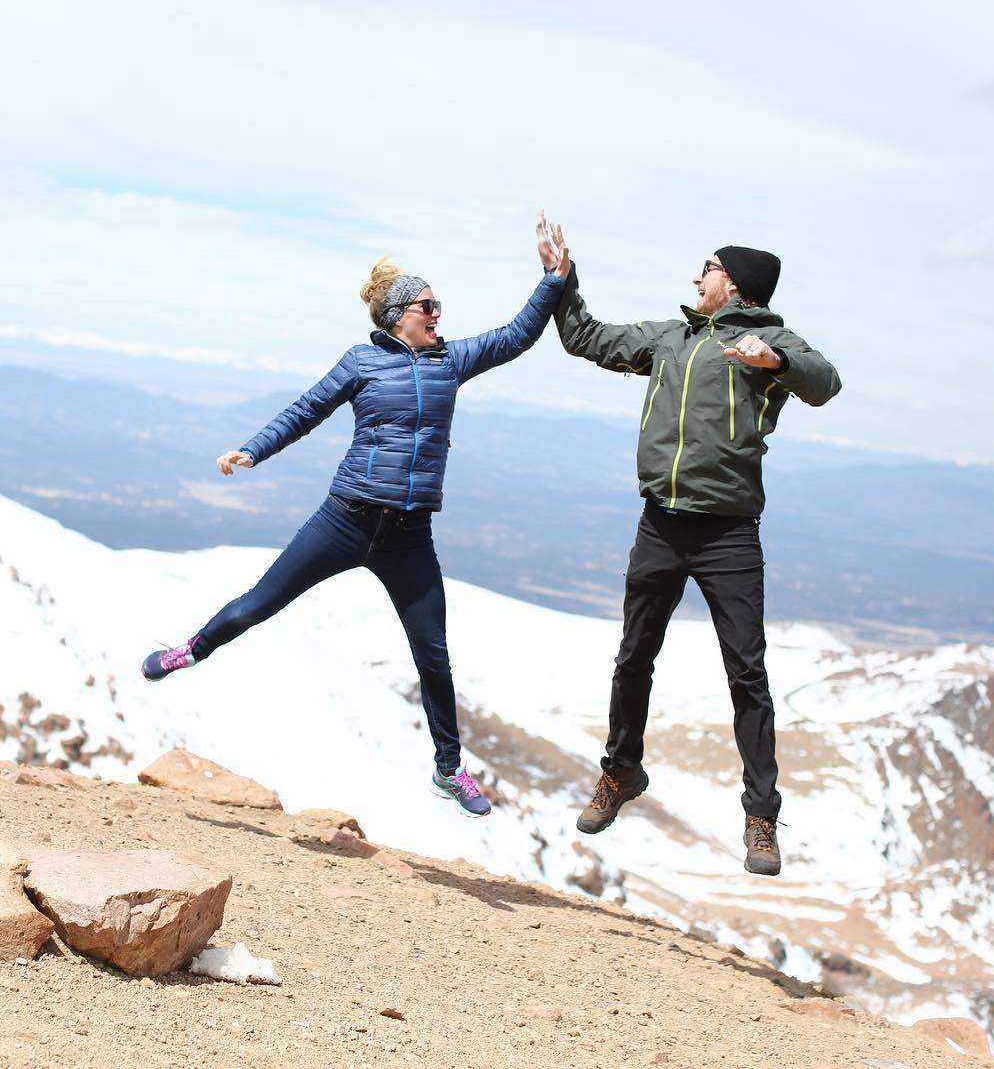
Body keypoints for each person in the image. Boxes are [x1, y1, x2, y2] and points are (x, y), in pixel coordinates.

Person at [142, 213, 571, 817]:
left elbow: (518, 334)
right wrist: (254, 449)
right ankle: (191, 648)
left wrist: (552, 279)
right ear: (399, 315)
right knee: (259, 603)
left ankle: (449, 770)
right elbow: (305, 410)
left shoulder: (452, 359)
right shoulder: (361, 362)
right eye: (429, 305)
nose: (438, 313)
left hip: (408, 534)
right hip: (345, 518)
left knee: (434, 653)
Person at [542, 221, 840, 873]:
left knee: (747, 675)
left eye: (704, 268)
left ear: (731, 282)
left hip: (728, 533)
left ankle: (761, 816)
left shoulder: (768, 340)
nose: (694, 278)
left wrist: (777, 363)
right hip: (660, 523)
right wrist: (563, 282)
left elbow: (825, 382)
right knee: (633, 656)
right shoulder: (670, 338)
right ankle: (621, 772)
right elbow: (588, 339)